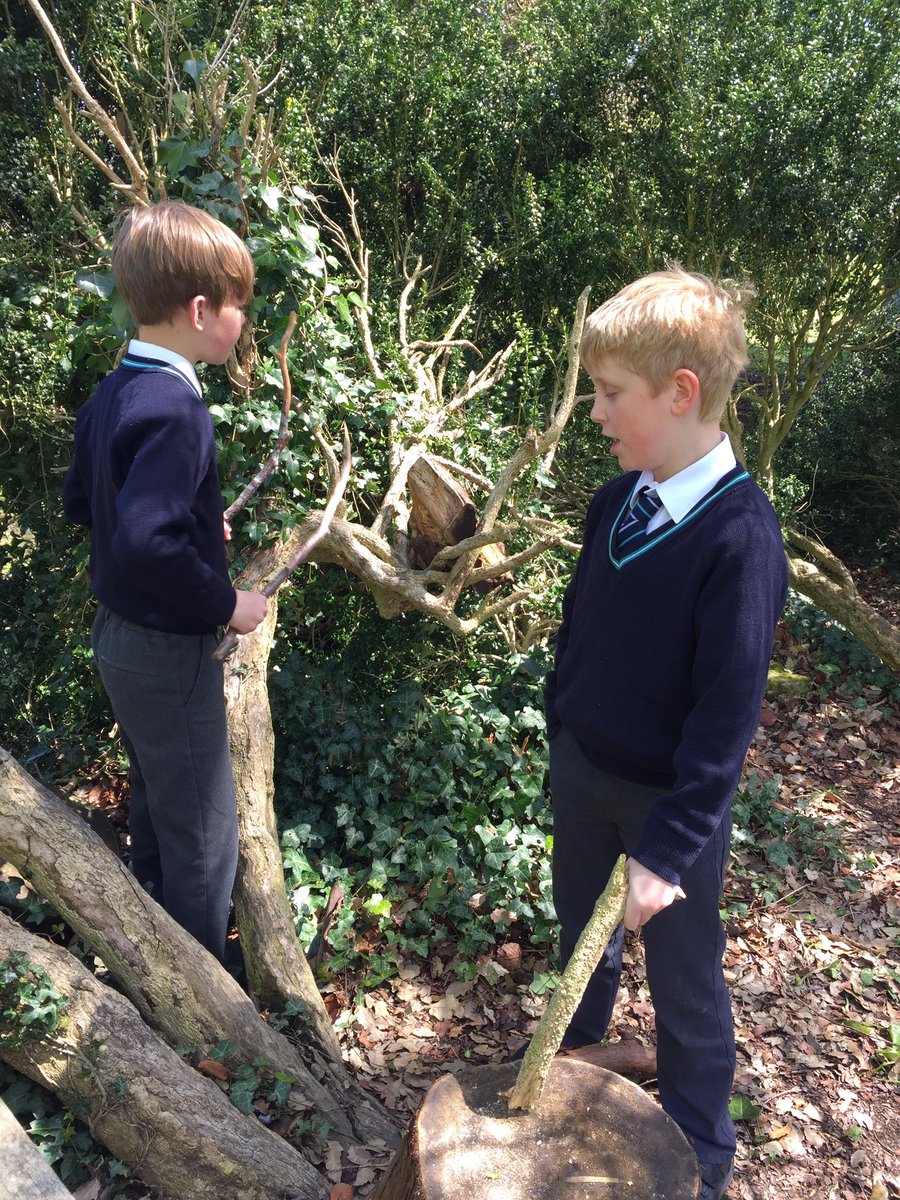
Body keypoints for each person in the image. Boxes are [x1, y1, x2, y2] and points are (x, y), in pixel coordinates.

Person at [544, 266, 787, 1199]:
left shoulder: (739, 539)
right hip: (585, 775)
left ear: (681, 392)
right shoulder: (619, 500)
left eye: (611, 395)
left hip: (668, 811)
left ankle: (701, 1153)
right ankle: (576, 1081)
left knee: (685, 985)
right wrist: (562, 725)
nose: (597, 413)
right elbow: (584, 630)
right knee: (581, 945)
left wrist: (670, 851)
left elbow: (726, 716)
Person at [63, 200, 268, 965]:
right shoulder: (178, 407)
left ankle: (152, 963)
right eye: (239, 305)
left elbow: (88, 503)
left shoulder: (114, 389)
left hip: (118, 640)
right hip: (166, 651)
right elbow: (147, 541)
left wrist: (184, 520)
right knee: (205, 835)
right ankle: (205, 1006)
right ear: (199, 309)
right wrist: (228, 602)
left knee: (157, 803)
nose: (242, 321)